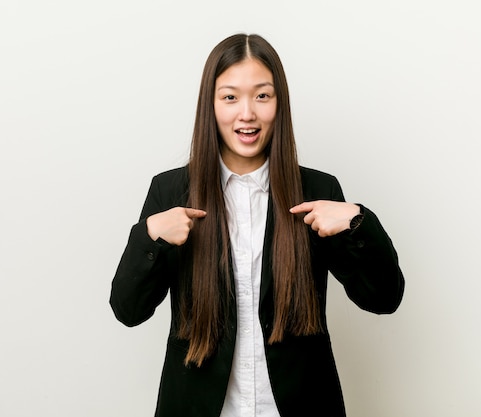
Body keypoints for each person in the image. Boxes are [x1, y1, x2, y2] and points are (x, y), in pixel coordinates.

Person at [110, 33, 405, 417]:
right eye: (230, 97)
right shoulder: (170, 190)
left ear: (279, 103)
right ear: (211, 106)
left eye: (262, 96)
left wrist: (357, 223)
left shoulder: (318, 190)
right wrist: (151, 238)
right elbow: (128, 309)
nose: (246, 113)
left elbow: (384, 298)